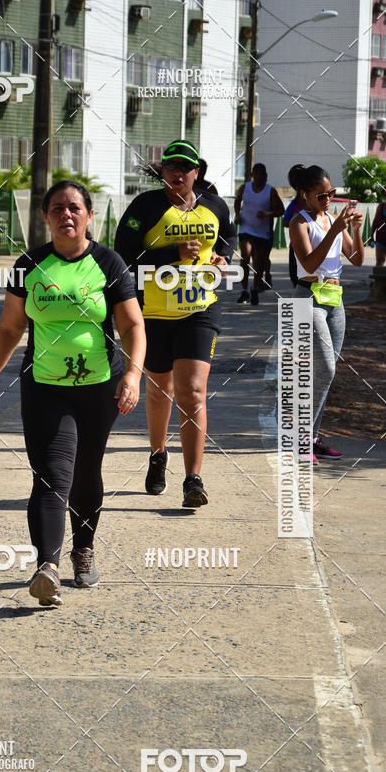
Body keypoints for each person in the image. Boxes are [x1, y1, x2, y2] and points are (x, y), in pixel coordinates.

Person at [0, 180, 145, 606]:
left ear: (89, 215)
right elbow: (10, 328)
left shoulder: (109, 262)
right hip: (45, 387)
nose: (66, 215)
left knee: (86, 472)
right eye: (56, 209)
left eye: (74, 208)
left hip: (100, 386)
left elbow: (132, 326)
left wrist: (134, 376)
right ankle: (46, 567)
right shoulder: (28, 264)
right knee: (51, 475)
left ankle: (83, 550)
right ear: (46, 217)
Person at [115, 139, 236, 507]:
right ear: (162, 171)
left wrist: (222, 257)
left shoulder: (214, 205)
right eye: (171, 167)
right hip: (152, 312)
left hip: (200, 309)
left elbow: (229, 235)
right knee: (160, 390)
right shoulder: (145, 206)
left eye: (186, 168)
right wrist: (172, 254)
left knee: (193, 390)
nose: (178, 174)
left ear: (197, 172)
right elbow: (122, 257)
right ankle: (157, 454)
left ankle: (193, 479)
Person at [289, 165, 364, 462]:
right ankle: (302, 438)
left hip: (334, 299)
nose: (328, 199)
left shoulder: (333, 219)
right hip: (308, 296)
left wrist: (355, 230)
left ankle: (313, 438)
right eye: (321, 195)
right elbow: (307, 265)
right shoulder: (300, 223)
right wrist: (336, 229)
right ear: (305, 194)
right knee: (324, 370)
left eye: (331, 193)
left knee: (326, 373)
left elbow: (357, 259)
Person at [234, 163, 284, 304]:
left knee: (259, 262)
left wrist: (267, 213)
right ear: (252, 176)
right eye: (257, 175)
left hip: (262, 232)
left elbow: (281, 210)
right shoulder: (245, 188)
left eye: (262, 175)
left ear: (266, 177)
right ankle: (244, 291)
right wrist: (238, 215)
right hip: (246, 228)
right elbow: (237, 201)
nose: (260, 178)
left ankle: (254, 288)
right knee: (245, 256)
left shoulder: (270, 191)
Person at [283, 163, 305, 288]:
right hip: (295, 247)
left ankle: (310, 306)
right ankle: (299, 306)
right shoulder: (294, 204)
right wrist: (297, 221)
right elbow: (285, 222)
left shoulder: (314, 204)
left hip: (312, 247)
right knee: (295, 278)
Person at [369, 199, 386, 268]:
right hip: (380, 238)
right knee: (379, 260)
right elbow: (375, 221)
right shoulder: (380, 207)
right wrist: (371, 236)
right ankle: (378, 278)